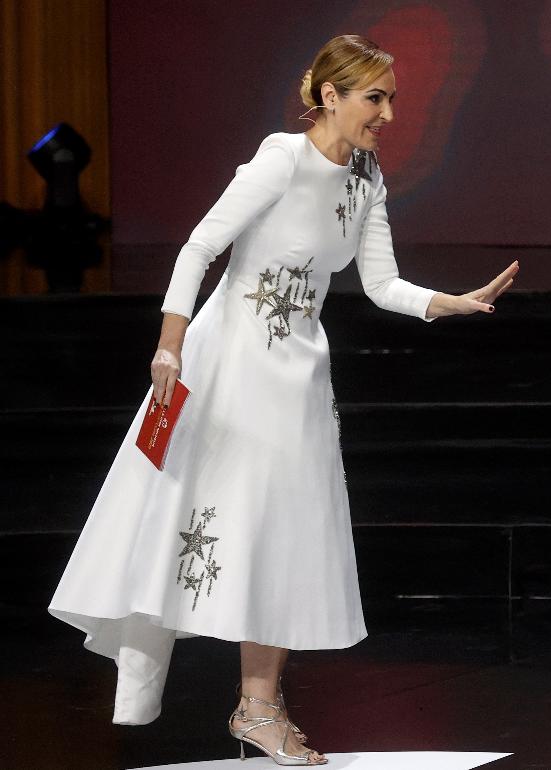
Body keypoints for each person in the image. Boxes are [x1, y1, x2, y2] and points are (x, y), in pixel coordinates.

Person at [48, 35, 519, 766]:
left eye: (392, 97)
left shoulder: (366, 176)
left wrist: (446, 303)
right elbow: (199, 249)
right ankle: (244, 701)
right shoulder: (279, 159)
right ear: (329, 97)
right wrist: (169, 346)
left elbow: (381, 283)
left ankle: (258, 706)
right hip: (229, 361)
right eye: (376, 97)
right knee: (209, 519)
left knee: (284, 529)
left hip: (299, 373)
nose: (389, 113)